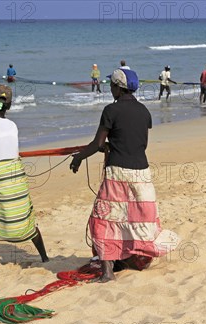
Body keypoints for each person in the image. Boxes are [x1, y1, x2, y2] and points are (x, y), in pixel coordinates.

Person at [69, 69, 178, 282]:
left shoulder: (111, 110)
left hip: (117, 172)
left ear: (119, 88)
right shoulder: (144, 111)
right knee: (138, 219)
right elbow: (138, 142)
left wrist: (79, 157)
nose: (110, 89)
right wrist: (113, 144)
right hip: (142, 173)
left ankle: (108, 272)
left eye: (112, 86)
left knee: (104, 218)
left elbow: (97, 143)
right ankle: (133, 259)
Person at [0, 84, 49, 275]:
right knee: (25, 215)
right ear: (8, 106)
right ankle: (45, 257)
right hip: (16, 173)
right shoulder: (13, 125)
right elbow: (8, 150)